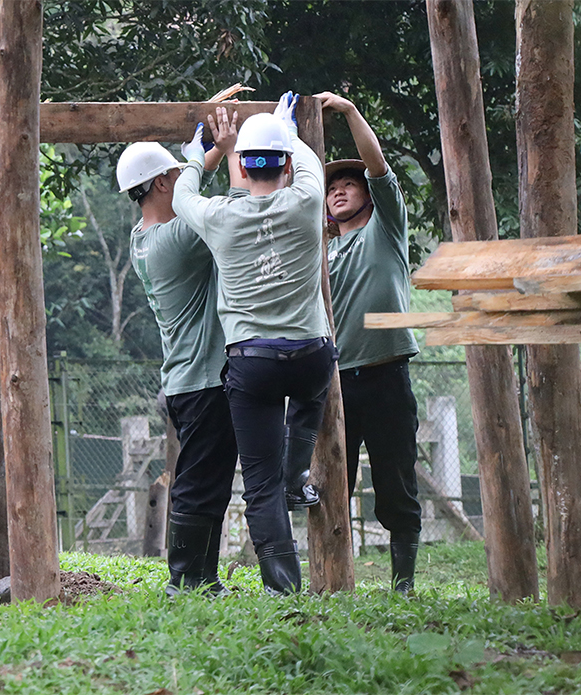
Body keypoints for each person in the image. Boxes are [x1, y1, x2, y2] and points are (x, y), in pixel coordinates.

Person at [172, 93, 332, 595]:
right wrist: (288, 127)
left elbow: (180, 197)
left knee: (258, 486)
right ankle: (297, 470)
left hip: (253, 361)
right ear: (284, 164)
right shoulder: (307, 203)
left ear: (242, 165)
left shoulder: (220, 217)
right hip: (310, 354)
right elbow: (310, 163)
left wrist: (202, 151)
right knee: (312, 391)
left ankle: (283, 588)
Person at [312, 91, 424, 593]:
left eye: (348, 183)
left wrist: (352, 113)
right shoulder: (321, 253)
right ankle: (333, 581)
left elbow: (380, 170)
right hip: (332, 382)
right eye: (331, 186)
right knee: (332, 485)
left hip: (386, 371)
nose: (339, 190)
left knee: (395, 485)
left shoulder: (385, 229)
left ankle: (403, 586)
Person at [119, 141, 232, 596]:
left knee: (209, 480)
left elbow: (186, 191)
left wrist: (209, 155)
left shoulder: (141, 239)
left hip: (185, 380)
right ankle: (184, 579)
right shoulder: (180, 239)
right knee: (199, 484)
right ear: (163, 182)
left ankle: (203, 578)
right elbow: (225, 212)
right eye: (175, 173)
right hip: (204, 380)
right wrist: (215, 155)